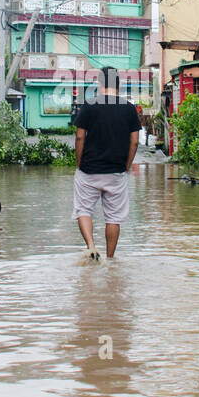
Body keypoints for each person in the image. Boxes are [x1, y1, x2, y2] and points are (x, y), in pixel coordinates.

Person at [73, 67, 141, 260]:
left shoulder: (89, 105)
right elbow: (134, 141)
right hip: (116, 172)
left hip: (88, 170)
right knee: (113, 218)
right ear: (119, 85)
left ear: (100, 84)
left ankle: (91, 246)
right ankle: (110, 259)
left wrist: (79, 164)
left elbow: (79, 138)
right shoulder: (129, 108)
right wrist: (126, 166)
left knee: (83, 209)